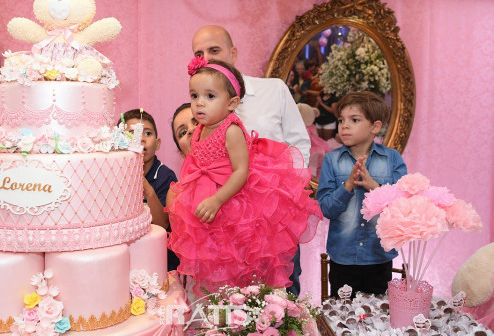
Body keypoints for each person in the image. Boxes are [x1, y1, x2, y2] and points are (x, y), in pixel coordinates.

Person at [167, 57, 321, 296]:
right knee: (216, 263)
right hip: (209, 200)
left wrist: (217, 200)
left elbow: (241, 171)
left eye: (210, 96)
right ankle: (226, 304)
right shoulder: (199, 130)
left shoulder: (231, 130)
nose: (199, 103)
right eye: (194, 96)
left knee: (243, 259)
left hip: (235, 203)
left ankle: (255, 303)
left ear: (232, 103)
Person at [316, 91, 407, 298]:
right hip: (343, 258)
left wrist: (375, 187)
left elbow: (403, 207)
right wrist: (347, 186)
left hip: (379, 257)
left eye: (354, 120)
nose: (344, 126)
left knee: (379, 313)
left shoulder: (392, 159)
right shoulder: (331, 160)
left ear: (375, 127)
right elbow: (325, 209)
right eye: (341, 120)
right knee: (341, 313)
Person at [120, 109, 179, 271]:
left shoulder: (165, 175)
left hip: (160, 259)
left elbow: (163, 224)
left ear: (157, 143)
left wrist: (148, 189)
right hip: (125, 256)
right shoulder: (115, 175)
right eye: (132, 133)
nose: (140, 139)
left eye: (147, 133)